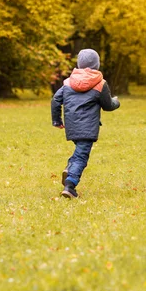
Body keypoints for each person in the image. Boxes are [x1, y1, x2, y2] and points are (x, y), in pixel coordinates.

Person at [51, 49, 120, 199]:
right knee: (82, 156)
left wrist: (57, 120)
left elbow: (56, 100)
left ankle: (70, 168)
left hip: (72, 126)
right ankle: (70, 185)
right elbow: (108, 105)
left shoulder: (68, 83)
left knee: (79, 151)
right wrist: (116, 101)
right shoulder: (100, 84)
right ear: (97, 65)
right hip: (88, 128)